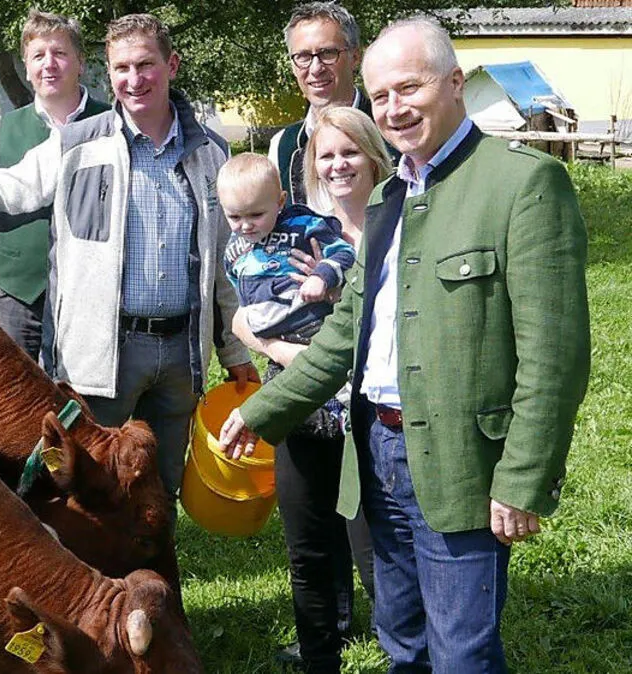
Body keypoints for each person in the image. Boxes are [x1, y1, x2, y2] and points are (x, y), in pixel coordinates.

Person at [221, 17, 590, 673]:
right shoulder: (392, 195)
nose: (394, 108)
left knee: (461, 654)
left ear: (454, 84)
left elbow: (554, 356)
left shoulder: (521, 184)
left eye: (408, 88)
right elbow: (343, 337)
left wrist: (523, 477)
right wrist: (261, 412)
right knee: (403, 643)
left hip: (461, 462)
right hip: (377, 456)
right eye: (381, 94)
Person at [0, 13, 259, 529]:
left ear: (172, 65)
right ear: (109, 71)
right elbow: (0, 187)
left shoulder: (211, 152)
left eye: (146, 65)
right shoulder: (79, 142)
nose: (134, 79)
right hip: (102, 354)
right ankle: (97, 600)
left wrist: (232, 353)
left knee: (157, 495)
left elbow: (221, 261)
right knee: (93, 492)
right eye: (121, 68)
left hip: (181, 357)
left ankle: (155, 598)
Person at [235, 107, 391, 674]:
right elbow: (244, 313)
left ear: (374, 154)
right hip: (300, 397)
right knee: (307, 541)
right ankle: (320, 654)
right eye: (327, 155)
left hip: (376, 406)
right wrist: (277, 350)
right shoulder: (296, 229)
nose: (338, 164)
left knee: (376, 544)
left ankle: (406, 648)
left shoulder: (398, 222)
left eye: (349, 152)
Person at [0, 9, 109, 362]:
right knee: (16, 400)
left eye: (60, 53)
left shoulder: (111, 124)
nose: (49, 64)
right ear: (26, 67)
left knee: (81, 404)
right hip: (19, 293)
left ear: (81, 62)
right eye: (38, 56)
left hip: (92, 295)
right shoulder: (1, 130)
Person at [218, 152, 356, 345]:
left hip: (311, 325)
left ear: (280, 201)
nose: (246, 225)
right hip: (271, 338)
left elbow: (345, 253)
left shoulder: (302, 226)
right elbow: (235, 280)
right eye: (235, 217)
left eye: (256, 215)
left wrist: (321, 277)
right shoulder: (235, 246)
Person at [270, 2, 372, 209]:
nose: (315, 68)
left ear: (355, 57)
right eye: (303, 57)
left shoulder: (389, 130)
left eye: (327, 53)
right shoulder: (282, 147)